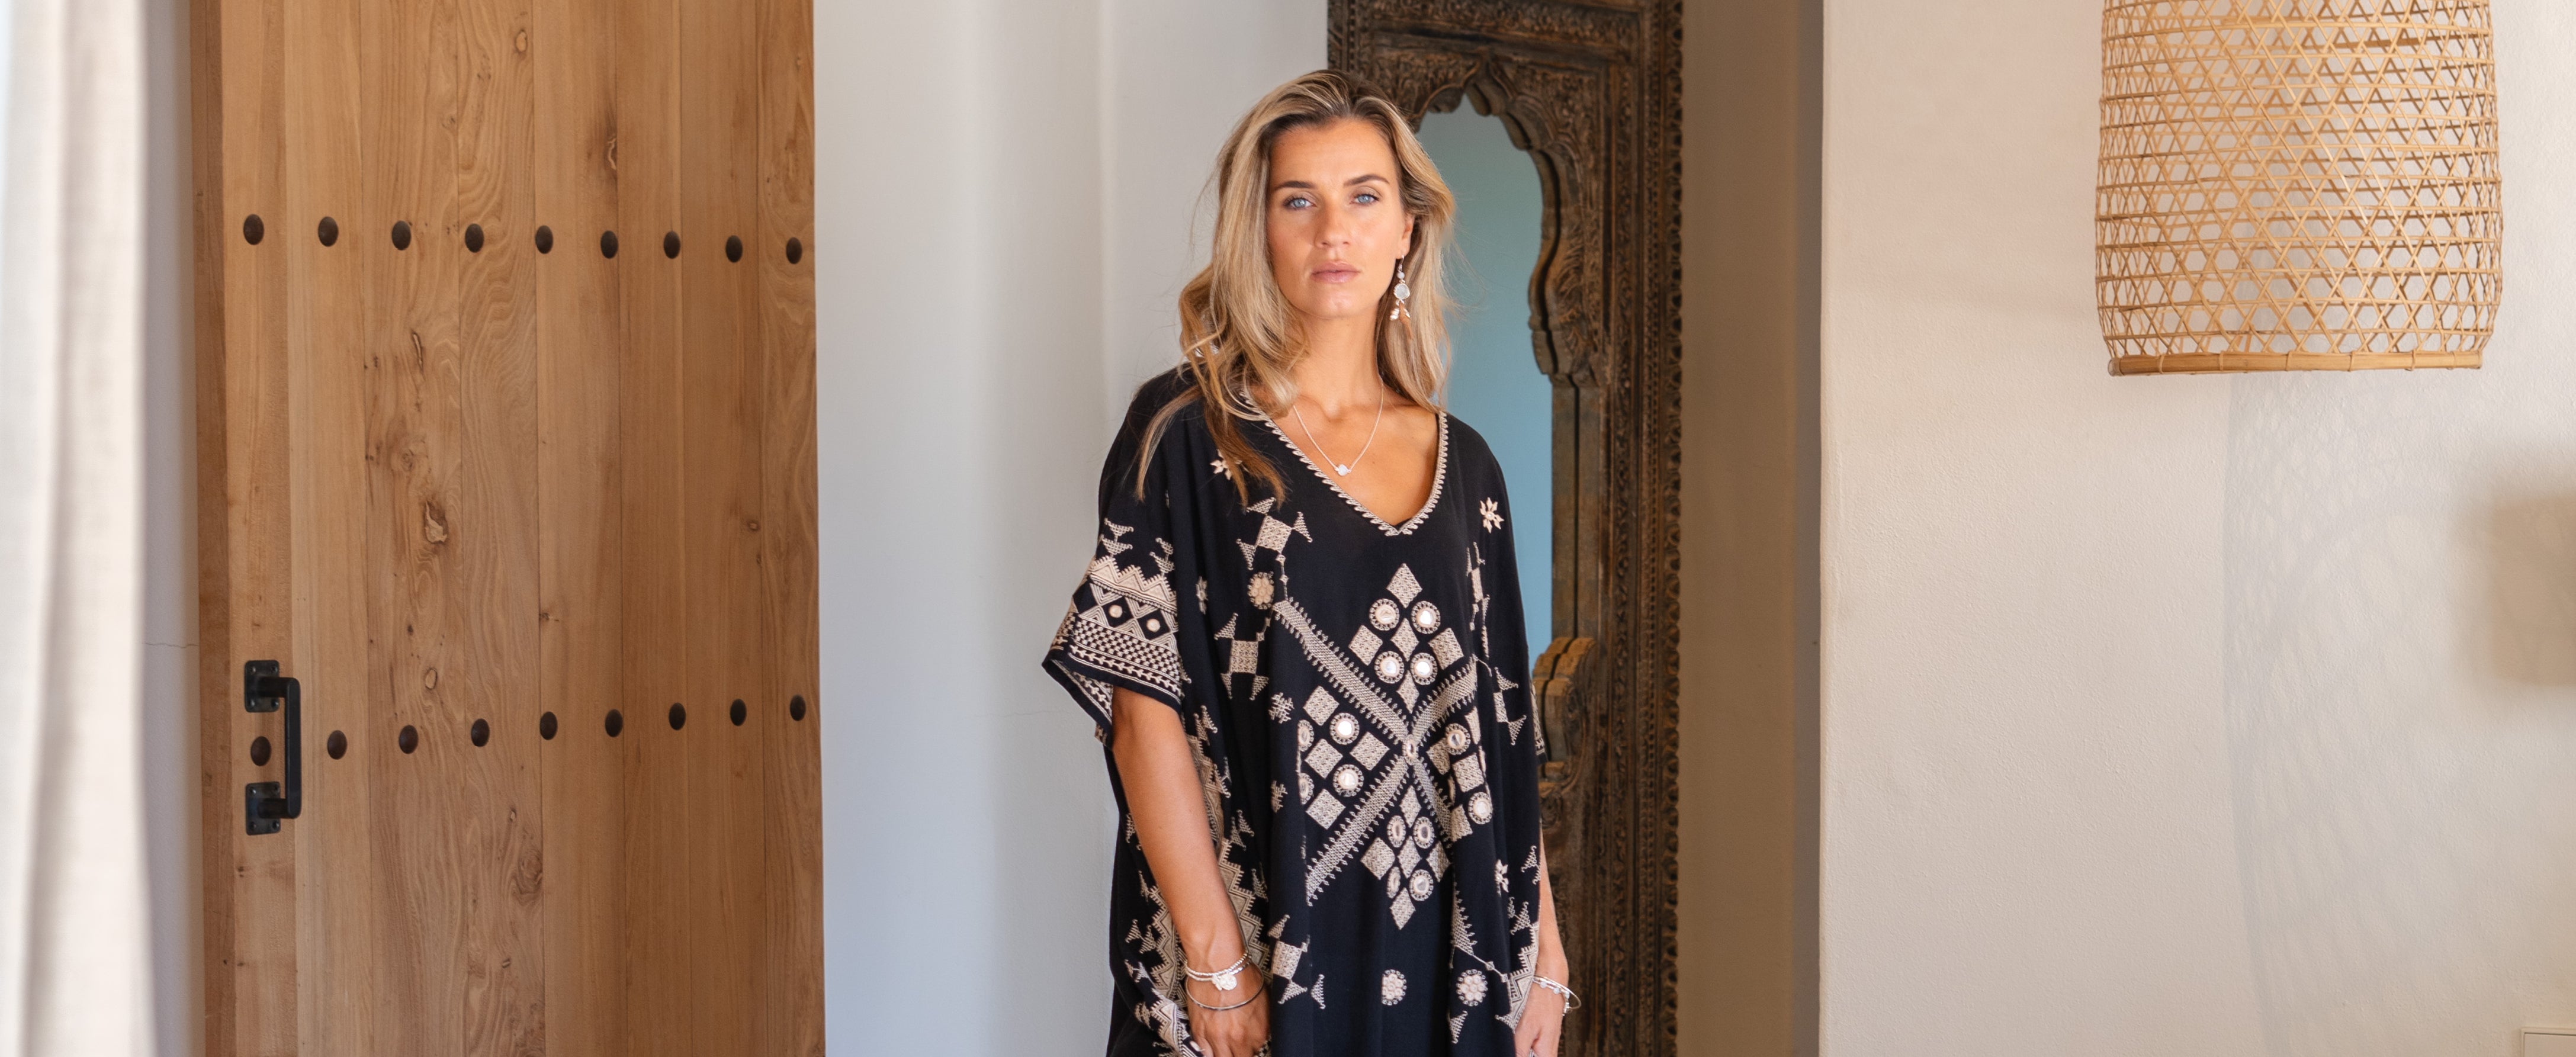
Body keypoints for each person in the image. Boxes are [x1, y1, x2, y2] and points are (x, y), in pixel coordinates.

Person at [1044, 70, 1572, 1057]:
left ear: (1406, 227)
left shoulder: (1469, 469)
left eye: (1363, 197)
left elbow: (1499, 727)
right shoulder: (1184, 435)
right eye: (1298, 200)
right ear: (1259, 228)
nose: (1334, 230)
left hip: (1450, 957)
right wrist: (1215, 959)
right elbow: (1141, 711)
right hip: (1258, 945)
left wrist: (1543, 947)